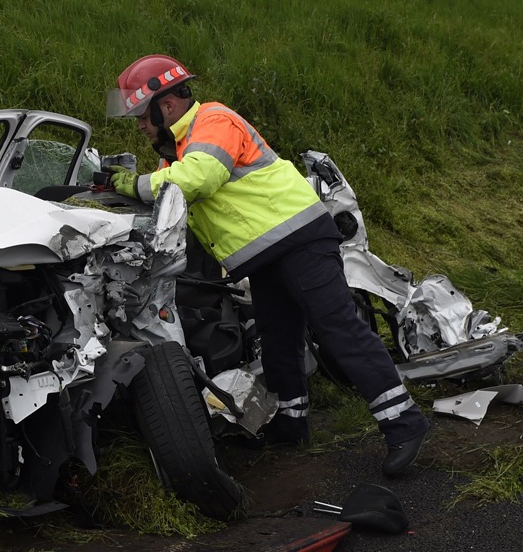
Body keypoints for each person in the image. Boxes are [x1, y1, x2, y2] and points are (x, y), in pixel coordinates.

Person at [104, 54, 429, 477]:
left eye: (140, 117)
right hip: (269, 252)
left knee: (338, 328)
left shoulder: (213, 121)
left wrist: (135, 184)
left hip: (300, 240)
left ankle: (404, 424)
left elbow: (199, 178)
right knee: (278, 338)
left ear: (164, 106)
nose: (139, 127)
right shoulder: (178, 152)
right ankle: (291, 426)